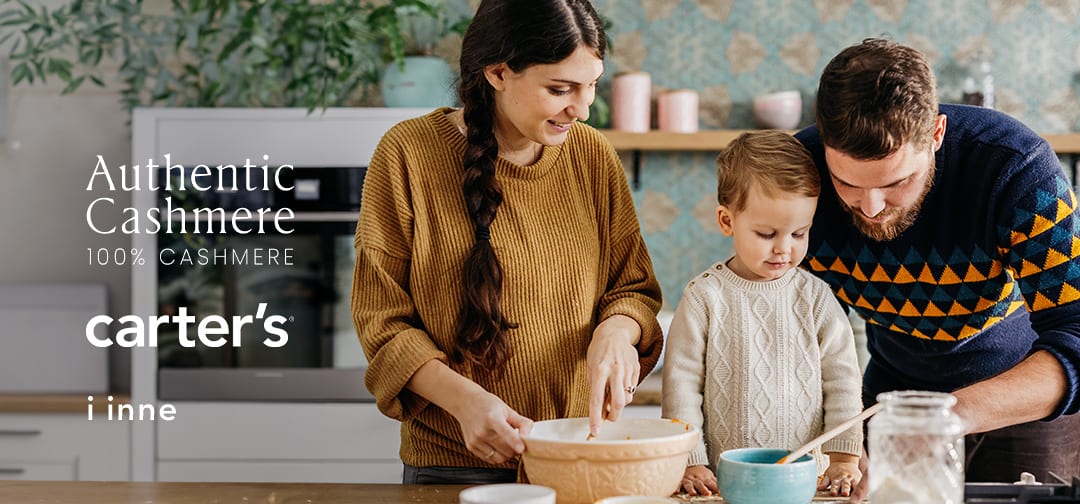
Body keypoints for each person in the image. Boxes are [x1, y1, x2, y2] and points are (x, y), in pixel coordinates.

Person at [353, 0, 664, 485]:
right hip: (452, 466)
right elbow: (382, 323)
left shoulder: (592, 156)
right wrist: (465, 402)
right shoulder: (407, 154)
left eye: (592, 85)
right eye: (560, 89)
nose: (582, 110)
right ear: (498, 73)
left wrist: (617, 332)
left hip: (575, 454)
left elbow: (633, 288)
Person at [796, 38, 1080, 500]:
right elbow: (796, 332)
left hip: (1024, 400)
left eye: (896, 181)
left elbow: (1076, 331)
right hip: (885, 404)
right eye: (846, 181)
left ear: (936, 134)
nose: (870, 208)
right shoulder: (800, 172)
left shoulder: (1016, 166)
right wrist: (842, 441)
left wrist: (942, 417)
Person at [662, 130, 864, 498]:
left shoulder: (816, 297)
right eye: (767, 233)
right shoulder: (705, 296)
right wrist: (690, 460)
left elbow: (844, 384)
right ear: (727, 221)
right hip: (723, 484)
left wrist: (845, 459)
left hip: (808, 481)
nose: (784, 249)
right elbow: (681, 387)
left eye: (799, 233)